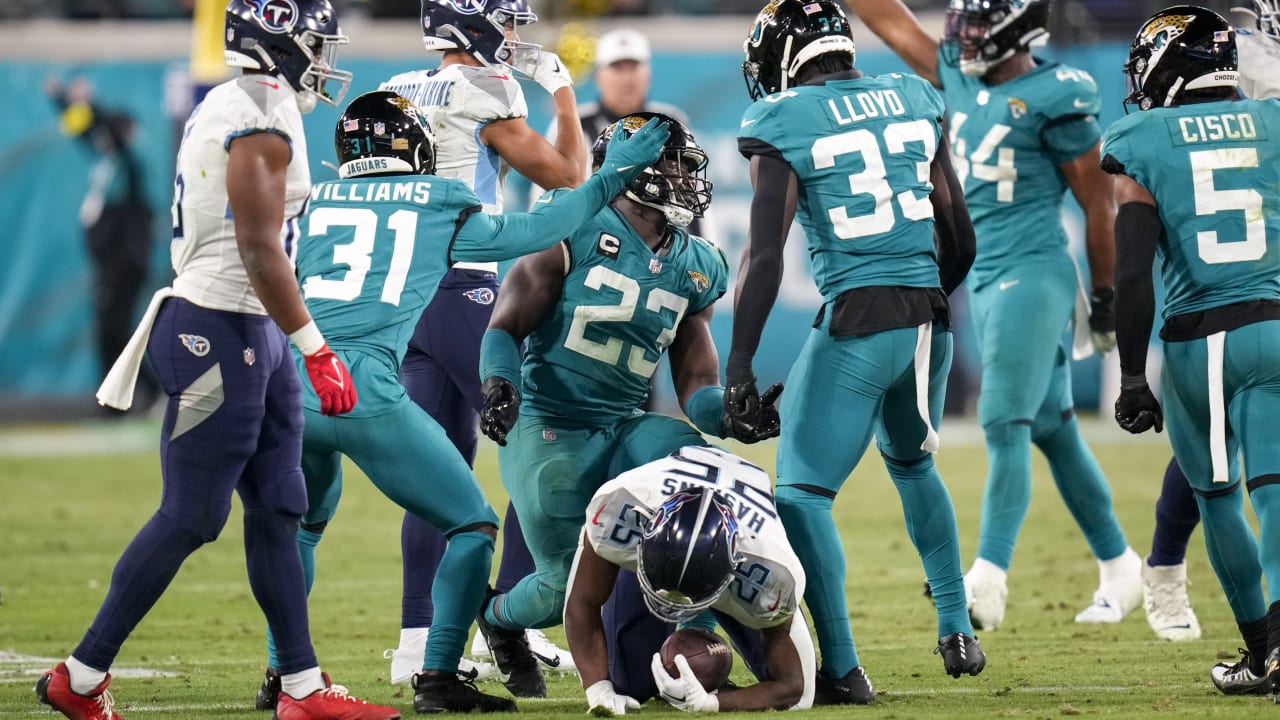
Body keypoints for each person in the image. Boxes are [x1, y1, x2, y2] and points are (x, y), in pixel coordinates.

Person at [35, 2, 402, 719]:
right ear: (276, 40)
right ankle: (78, 678)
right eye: (311, 41)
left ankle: (300, 688)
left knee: (280, 507)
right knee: (192, 515)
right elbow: (258, 248)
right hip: (215, 327)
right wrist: (316, 348)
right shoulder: (259, 110)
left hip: (249, 328)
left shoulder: (252, 101)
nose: (322, 56)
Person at [250, 91, 670, 715]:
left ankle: (285, 673)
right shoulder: (437, 202)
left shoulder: (319, 201)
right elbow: (542, 227)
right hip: (362, 387)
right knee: (472, 526)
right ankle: (439, 675)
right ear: (413, 147)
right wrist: (610, 176)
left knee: (302, 529)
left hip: (293, 381)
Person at [846, 0, 1143, 631]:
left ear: (1019, 29)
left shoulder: (1057, 92)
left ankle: (989, 575)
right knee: (1052, 428)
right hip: (983, 277)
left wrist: (1108, 295)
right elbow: (891, 21)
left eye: (979, 26)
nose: (964, 37)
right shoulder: (956, 70)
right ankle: (1121, 564)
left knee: (1002, 419)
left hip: (1033, 272)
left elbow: (1097, 205)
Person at [473, 111, 783, 700]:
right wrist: (499, 384)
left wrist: (729, 416)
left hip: (622, 423)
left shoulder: (698, 262)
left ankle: (697, 632)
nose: (685, 174)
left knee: (702, 470)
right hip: (549, 422)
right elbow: (504, 327)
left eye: (686, 162)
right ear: (632, 167)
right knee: (562, 586)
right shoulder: (574, 226)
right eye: (670, 162)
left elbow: (695, 379)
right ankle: (498, 618)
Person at [727, 0, 984, 702]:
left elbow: (766, 256)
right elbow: (958, 235)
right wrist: (923, 299)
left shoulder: (782, 117)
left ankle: (842, 667)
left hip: (859, 316)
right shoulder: (912, 95)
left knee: (801, 494)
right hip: (929, 314)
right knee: (912, 462)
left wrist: (740, 365)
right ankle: (956, 623)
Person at [374, 0, 585, 684]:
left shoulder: (399, 88)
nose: (517, 37)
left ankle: (416, 645)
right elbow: (568, 176)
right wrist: (561, 90)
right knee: (545, 438)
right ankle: (515, 617)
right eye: (508, 22)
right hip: (464, 289)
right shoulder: (484, 89)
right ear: (477, 24)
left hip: (406, 298)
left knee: (440, 474)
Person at [1104, 5, 1280, 698]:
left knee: (1217, 498)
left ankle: (1263, 651)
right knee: (1274, 492)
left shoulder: (1140, 137)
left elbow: (1132, 270)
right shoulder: (1272, 119)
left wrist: (1128, 375)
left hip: (1198, 340)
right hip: (1274, 321)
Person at [564, 445, 816, 714]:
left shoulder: (771, 570)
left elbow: (792, 686)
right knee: (627, 685)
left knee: (798, 702)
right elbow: (582, 601)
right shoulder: (621, 508)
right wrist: (598, 689)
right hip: (666, 509)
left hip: (742, 553)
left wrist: (713, 704)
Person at [46, 77, 159, 413]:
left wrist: (91, 102)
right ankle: (120, 400)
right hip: (108, 261)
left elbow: (108, 130)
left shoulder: (130, 164)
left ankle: (137, 394)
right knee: (109, 329)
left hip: (124, 260)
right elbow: (80, 131)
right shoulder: (105, 162)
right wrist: (62, 101)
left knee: (115, 328)